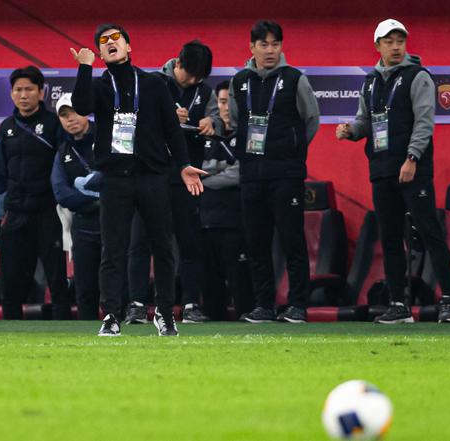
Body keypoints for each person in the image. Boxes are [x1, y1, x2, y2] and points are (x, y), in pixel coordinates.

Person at [70, 23, 206, 336]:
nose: (110, 42)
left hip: (152, 177)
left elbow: (172, 128)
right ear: (100, 53)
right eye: (104, 41)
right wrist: (84, 67)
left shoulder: (154, 83)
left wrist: (184, 164)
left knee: (163, 246)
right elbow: (81, 106)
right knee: (113, 250)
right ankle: (111, 315)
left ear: (129, 47)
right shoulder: (100, 86)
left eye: (116, 38)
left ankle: (165, 312)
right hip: (115, 179)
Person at [336, 18, 450, 324]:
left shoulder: (418, 76)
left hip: (412, 169)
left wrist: (412, 158)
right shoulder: (370, 82)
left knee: (429, 231)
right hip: (381, 168)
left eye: (400, 41)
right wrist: (351, 131)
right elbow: (366, 121)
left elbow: (424, 122)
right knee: (389, 237)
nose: (395, 47)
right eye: (389, 42)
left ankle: (449, 300)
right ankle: (397, 304)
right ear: (377, 46)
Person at [228, 20, 320, 324]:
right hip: (251, 174)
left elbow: (311, 120)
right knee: (257, 243)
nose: (270, 50)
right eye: (264, 44)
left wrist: (290, 148)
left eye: (275, 44)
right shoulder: (240, 81)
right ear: (252, 47)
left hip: (286, 174)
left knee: (292, 241)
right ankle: (264, 306)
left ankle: (297, 306)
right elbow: (237, 122)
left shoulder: (294, 79)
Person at [125, 40, 221, 324]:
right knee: (141, 241)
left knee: (189, 243)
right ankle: (137, 304)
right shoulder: (151, 83)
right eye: (189, 75)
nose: (192, 82)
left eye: (198, 78)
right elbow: (131, 121)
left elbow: (220, 121)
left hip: (186, 177)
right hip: (150, 174)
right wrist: (165, 115)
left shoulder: (205, 92)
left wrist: (211, 124)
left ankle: (190, 304)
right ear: (177, 63)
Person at [0, 66, 69, 320]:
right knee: (10, 280)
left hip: (48, 212)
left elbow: (65, 165)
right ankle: (10, 330)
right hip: (15, 213)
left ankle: (64, 328)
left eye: (29, 89)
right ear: (11, 94)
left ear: (41, 92)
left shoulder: (54, 124)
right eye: (18, 90)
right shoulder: (6, 127)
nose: (23, 95)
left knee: (56, 278)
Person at [199, 81, 254, 320]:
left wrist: (204, 179)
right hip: (204, 220)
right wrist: (220, 167)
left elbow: (239, 173)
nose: (225, 107)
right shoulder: (203, 136)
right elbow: (193, 169)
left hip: (235, 221)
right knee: (209, 286)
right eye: (221, 102)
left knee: (241, 283)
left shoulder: (248, 134)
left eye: (229, 101)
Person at [51, 93, 101, 320]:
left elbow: (115, 178)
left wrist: (87, 190)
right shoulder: (63, 151)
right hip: (82, 227)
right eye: (64, 115)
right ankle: (85, 336)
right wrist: (96, 199)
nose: (70, 118)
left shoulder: (108, 138)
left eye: (74, 112)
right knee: (85, 291)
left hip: (113, 224)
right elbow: (62, 194)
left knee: (118, 288)